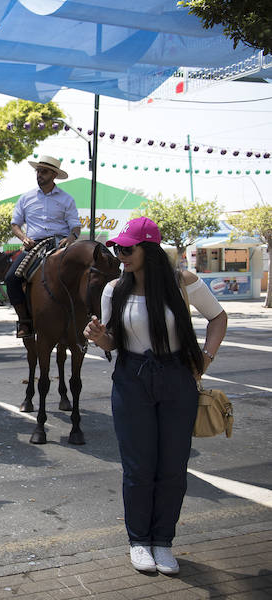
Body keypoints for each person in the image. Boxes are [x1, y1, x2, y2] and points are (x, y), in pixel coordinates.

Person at [83, 217, 227, 575]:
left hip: (177, 379)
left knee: (173, 468)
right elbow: (113, 340)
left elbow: (218, 318)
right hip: (131, 381)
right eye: (118, 248)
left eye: (127, 248)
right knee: (138, 468)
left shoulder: (184, 283)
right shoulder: (113, 289)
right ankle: (139, 541)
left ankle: (163, 541)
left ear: (148, 249)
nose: (120, 254)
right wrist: (99, 337)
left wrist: (205, 359)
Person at [4, 156, 81, 338]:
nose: (39, 175)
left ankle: (83, 316)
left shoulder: (66, 199)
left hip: (60, 243)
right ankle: (24, 321)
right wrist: (23, 238)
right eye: (38, 171)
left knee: (84, 275)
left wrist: (71, 238)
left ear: (54, 175)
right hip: (35, 245)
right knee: (11, 278)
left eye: (44, 171)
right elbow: (15, 224)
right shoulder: (26, 198)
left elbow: (75, 226)